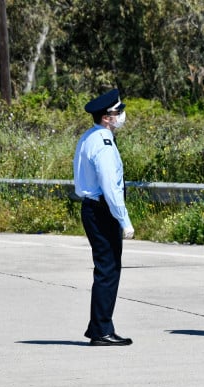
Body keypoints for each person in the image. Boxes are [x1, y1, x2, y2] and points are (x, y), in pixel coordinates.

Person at [73, 88, 135, 346]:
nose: (122, 116)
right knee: (108, 271)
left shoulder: (88, 137)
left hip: (91, 207)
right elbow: (110, 186)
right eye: (118, 112)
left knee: (105, 269)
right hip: (102, 210)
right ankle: (101, 330)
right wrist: (124, 220)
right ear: (107, 117)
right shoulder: (104, 144)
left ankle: (99, 326)